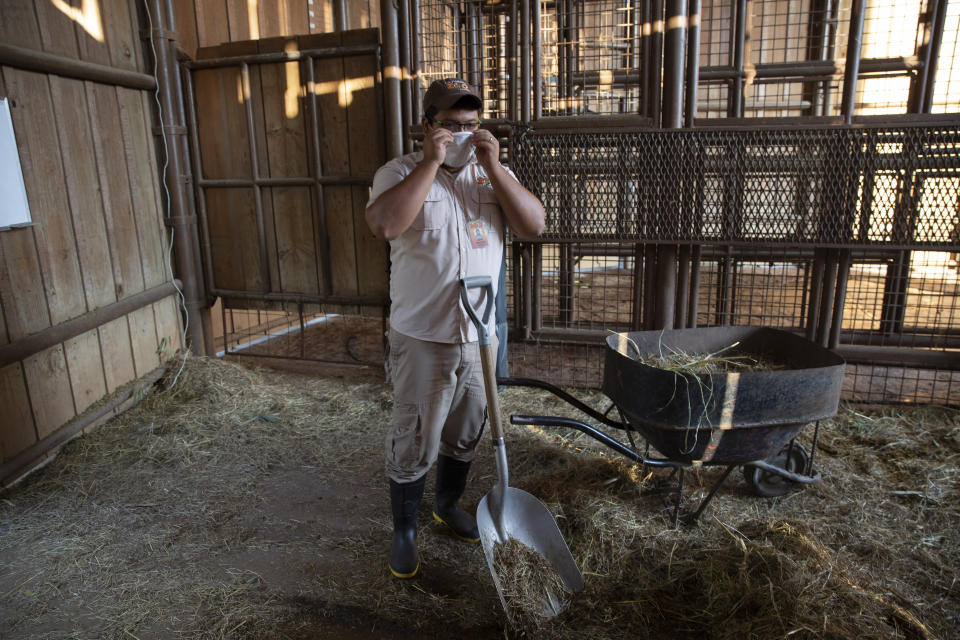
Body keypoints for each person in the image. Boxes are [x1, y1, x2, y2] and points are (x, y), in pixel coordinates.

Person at [365, 78, 546, 578]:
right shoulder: (399, 172)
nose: (463, 133)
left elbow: (534, 226)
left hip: (480, 334)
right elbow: (384, 225)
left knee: (468, 429)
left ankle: (447, 504)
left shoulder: (492, 173)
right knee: (416, 435)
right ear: (428, 124)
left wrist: (492, 166)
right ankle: (404, 531)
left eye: (471, 125)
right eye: (451, 125)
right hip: (424, 334)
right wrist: (428, 162)